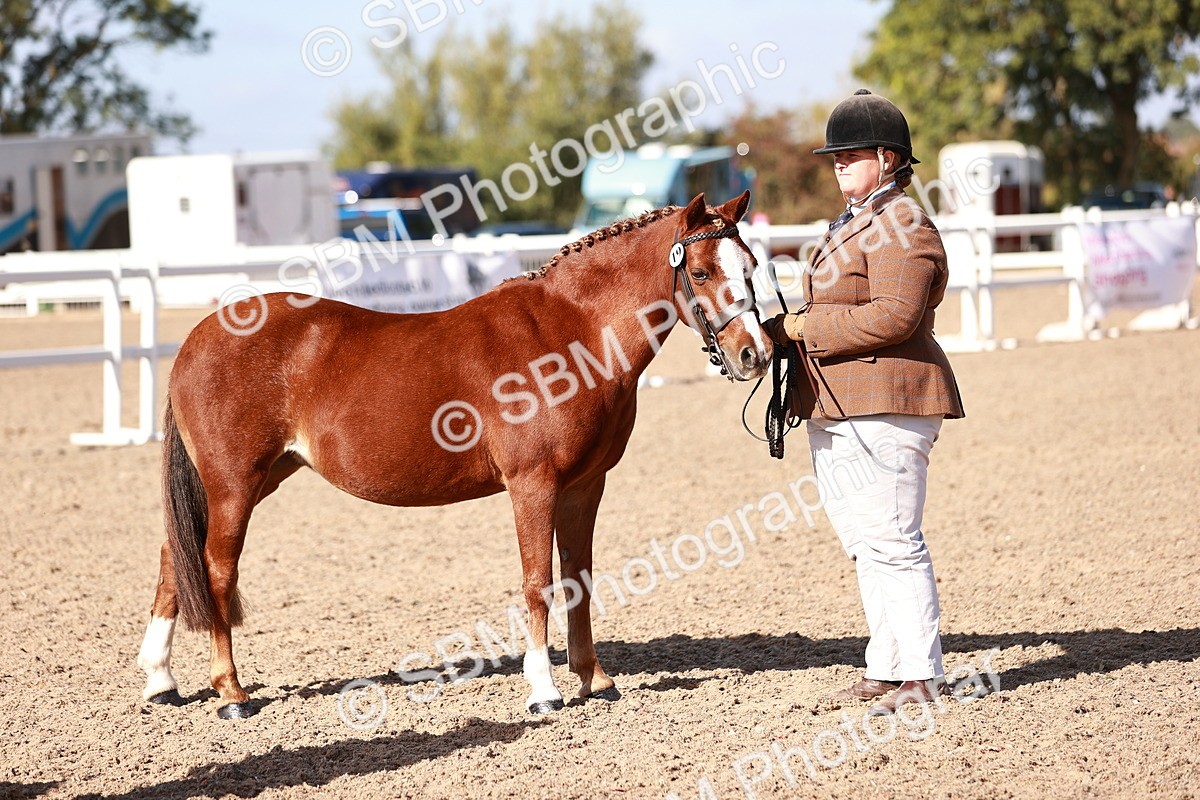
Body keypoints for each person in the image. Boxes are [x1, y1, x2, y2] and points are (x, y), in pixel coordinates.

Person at [763, 89, 965, 715]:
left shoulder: (905, 223)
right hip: (838, 404)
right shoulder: (856, 222)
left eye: (849, 154)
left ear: (887, 156)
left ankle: (922, 675)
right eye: (835, 156)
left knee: (894, 538)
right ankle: (888, 664)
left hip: (891, 398)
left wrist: (801, 330)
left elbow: (897, 316)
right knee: (866, 540)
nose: (837, 165)